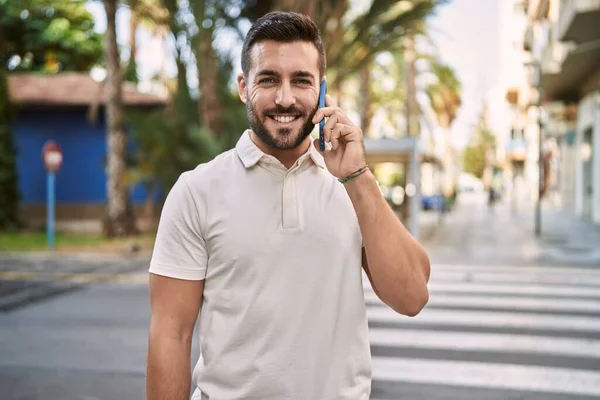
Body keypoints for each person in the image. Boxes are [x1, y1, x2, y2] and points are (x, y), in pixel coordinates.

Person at [146, 11, 430, 400]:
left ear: (323, 91)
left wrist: (358, 177)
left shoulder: (352, 186)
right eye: (268, 80)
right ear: (244, 87)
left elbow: (412, 296)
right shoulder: (196, 191)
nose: (285, 98)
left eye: (301, 81)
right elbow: (171, 334)